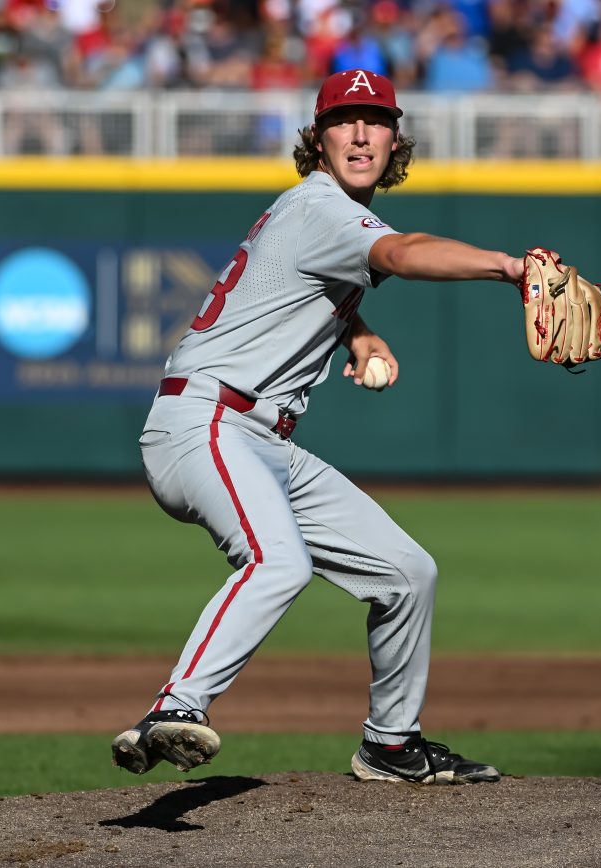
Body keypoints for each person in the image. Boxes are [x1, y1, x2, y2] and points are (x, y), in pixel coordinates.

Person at [112, 68, 523, 785]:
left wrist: (356, 331)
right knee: (279, 563)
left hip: (262, 439)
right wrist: (509, 267)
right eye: (343, 121)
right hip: (207, 423)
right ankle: (173, 706)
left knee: (406, 574)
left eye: (374, 120)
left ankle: (391, 745)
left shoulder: (318, 215)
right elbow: (398, 251)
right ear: (318, 138)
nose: (360, 133)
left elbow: (296, 290)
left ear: (396, 139)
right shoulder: (322, 207)